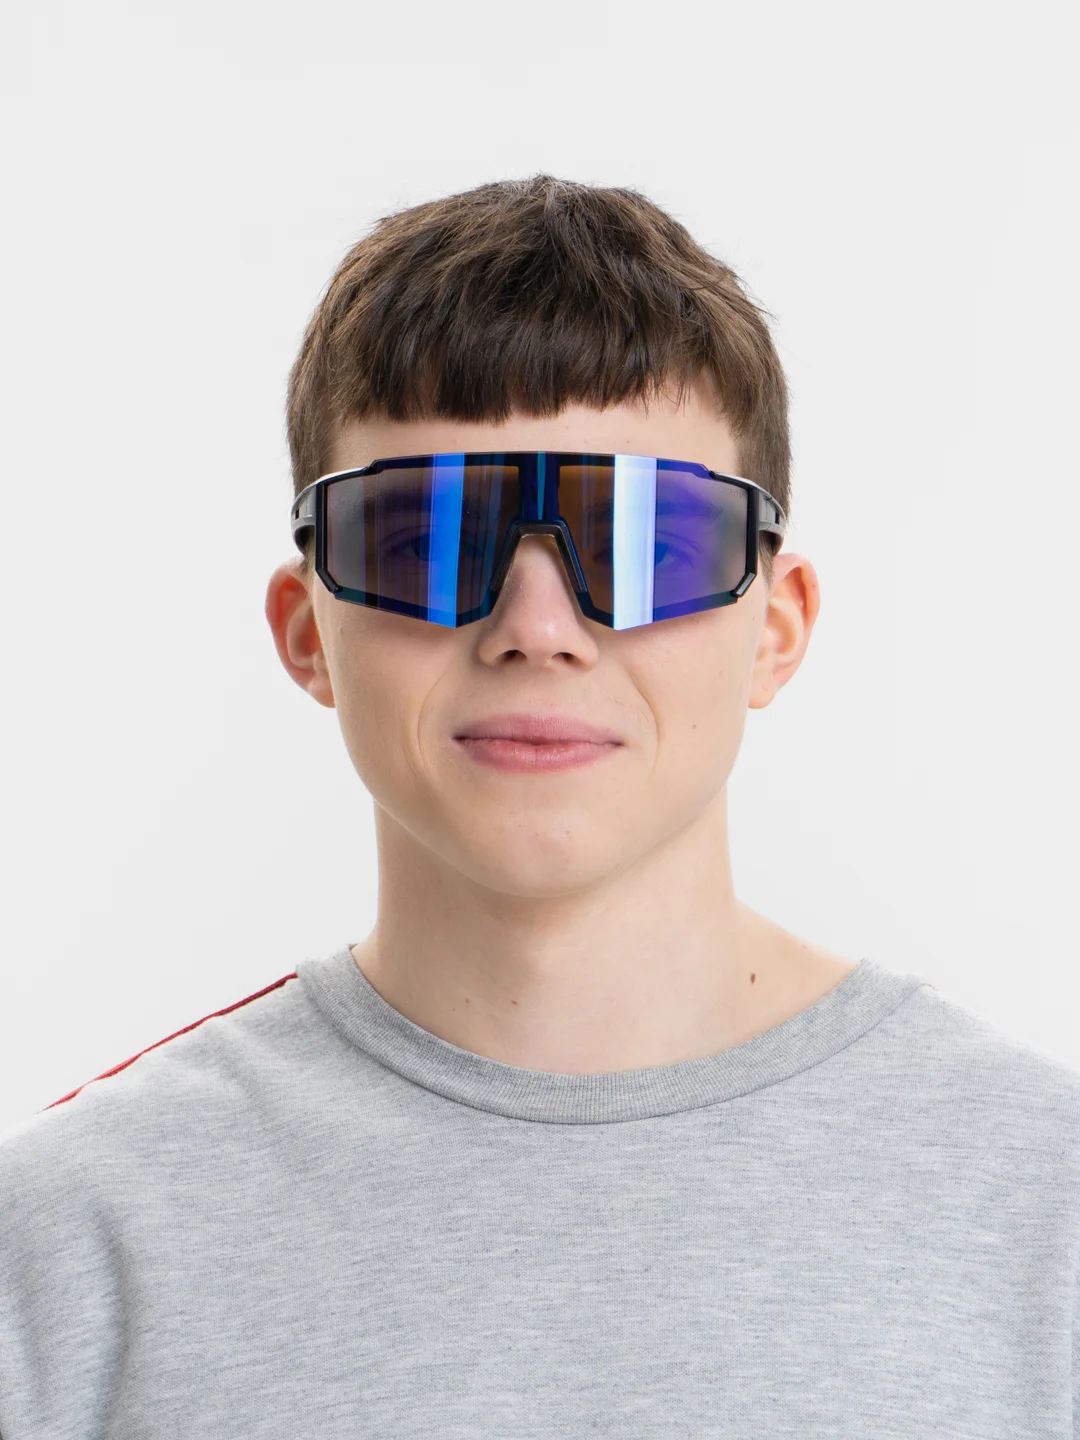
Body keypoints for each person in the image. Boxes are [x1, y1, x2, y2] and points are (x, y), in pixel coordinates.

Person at [0, 175, 1076, 1437]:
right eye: (424, 541)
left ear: (777, 628)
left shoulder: (1046, 1213)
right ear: (306, 631)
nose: (537, 626)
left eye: (649, 544)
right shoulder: (72, 1242)